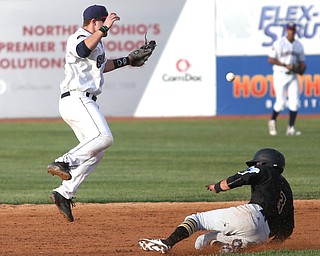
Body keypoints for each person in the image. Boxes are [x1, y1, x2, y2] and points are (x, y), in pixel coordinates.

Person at [47, 5, 154, 222]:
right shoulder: (78, 37)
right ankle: (63, 161)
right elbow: (82, 51)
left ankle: (64, 192)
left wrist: (128, 60)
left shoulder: (97, 40)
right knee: (104, 138)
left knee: (97, 151)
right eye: (103, 21)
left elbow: (101, 65)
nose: (108, 25)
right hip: (77, 98)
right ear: (94, 22)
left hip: (83, 100)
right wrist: (104, 29)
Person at [138, 148, 294, 254]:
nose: (256, 165)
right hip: (261, 236)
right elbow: (288, 228)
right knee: (201, 242)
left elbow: (244, 176)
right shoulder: (286, 189)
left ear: (264, 163)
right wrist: (270, 247)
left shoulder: (263, 169)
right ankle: (225, 247)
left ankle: (167, 242)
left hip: (252, 215)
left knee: (196, 219)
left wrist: (218, 186)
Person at [267, 22, 306, 136]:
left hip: (292, 75)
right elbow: (271, 59)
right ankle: (272, 121)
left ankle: (291, 128)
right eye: (289, 29)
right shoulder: (279, 43)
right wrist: (284, 65)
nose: (291, 31)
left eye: (293, 29)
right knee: (281, 102)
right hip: (280, 74)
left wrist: (301, 68)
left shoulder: (299, 45)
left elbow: (302, 62)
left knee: (294, 102)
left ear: (295, 31)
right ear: (286, 31)